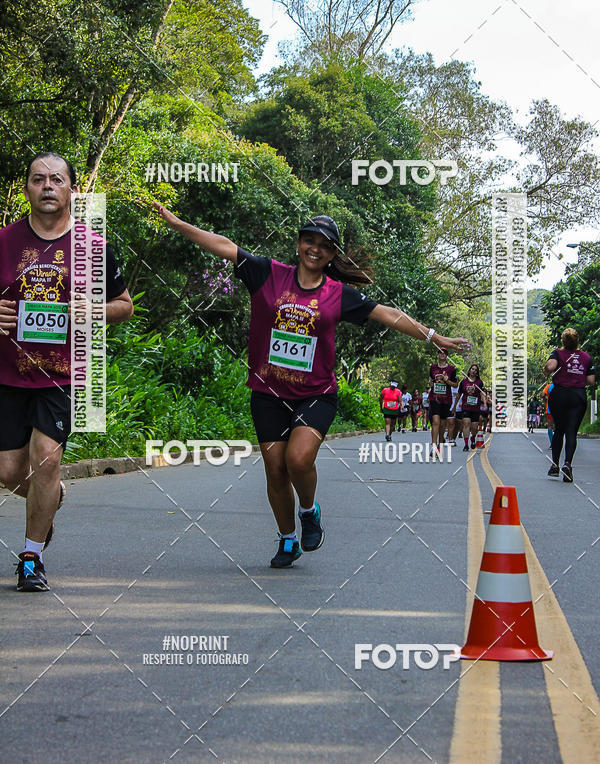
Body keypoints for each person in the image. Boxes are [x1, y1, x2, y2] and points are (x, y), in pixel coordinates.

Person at [152, 204, 469, 566]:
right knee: (275, 470)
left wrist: (433, 336)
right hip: (268, 394)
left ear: (333, 253)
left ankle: (308, 510)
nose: (314, 248)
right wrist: (177, 223)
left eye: (324, 244)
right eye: (308, 240)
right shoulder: (267, 274)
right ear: (299, 243)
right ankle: (288, 540)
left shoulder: (338, 294)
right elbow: (223, 244)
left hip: (316, 395)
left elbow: (389, 314)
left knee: (298, 460)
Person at [0, 153, 133, 591]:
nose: (48, 186)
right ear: (27, 190)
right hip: (7, 371)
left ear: (72, 190)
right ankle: (50, 497)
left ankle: (31, 556)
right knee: (7, 470)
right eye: (38, 179)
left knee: (46, 457)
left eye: (57, 179)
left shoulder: (94, 247)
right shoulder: (4, 241)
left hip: (63, 373)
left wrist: (91, 309)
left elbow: (124, 306)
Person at [544, 328, 595, 483]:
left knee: (559, 429)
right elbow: (591, 381)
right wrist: (577, 378)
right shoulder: (586, 357)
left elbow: (551, 367)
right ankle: (567, 464)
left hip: (559, 394)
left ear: (563, 341)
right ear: (577, 340)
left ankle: (554, 465)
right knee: (571, 430)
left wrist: (546, 371)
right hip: (577, 396)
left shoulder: (557, 353)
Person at [428, 347, 458, 457]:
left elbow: (455, 384)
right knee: (435, 421)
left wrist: (447, 381)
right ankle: (434, 445)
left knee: (442, 425)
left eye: (444, 353)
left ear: (446, 356)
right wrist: (431, 384)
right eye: (440, 352)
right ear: (437, 354)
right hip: (434, 398)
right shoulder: (432, 367)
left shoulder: (451, 369)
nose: (442, 354)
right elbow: (431, 380)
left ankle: (440, 444)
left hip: (446, 399)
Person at [456, 364, 486, 451]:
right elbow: (459, 394)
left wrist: (484, 403)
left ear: (477, 373)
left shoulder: (479, 382)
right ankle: (466, 444)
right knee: (466, 424)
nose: (474, 371)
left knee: (474, 427)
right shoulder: (464, 382)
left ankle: (473, 438)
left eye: (476, 370)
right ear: (469, 370)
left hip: (475, 408)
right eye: (472, 369)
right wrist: (455, 406)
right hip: (466, 407)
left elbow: (482, 393)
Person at [542, 382, 554, 448]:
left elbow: (543, 395)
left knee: (550, 426)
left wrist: (547, 401)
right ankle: (557, 442)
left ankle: (552, 443)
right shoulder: (562, 385)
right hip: (560, 409)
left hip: (550, 409)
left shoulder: (549, 386)